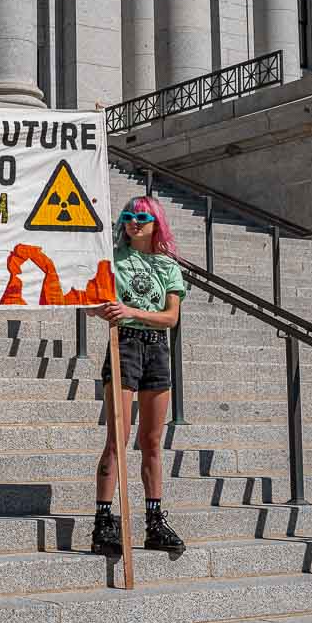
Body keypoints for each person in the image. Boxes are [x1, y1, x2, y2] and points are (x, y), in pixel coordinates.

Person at [91, 194, 186, 556]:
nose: (135, 222)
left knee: (151, 441)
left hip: (156, 348)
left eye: (143, 218)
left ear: (155, 224)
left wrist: (132, 310)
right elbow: (91, 303)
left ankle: (154, 521)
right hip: (125, 344)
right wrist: (106, 312)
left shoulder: (167, 266)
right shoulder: (113, 260)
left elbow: (170, 317)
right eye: (129, 217)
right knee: (117, 438)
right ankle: (103, 520)